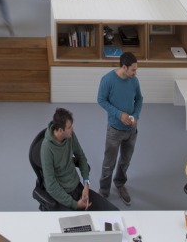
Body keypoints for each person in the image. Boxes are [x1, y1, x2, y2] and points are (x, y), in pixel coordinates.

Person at [41, 107, 119, 212]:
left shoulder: (70, 136)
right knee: (79, 224)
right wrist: (75, 204)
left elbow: (81, 157)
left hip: (76, 186)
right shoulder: (47, 149)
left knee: (112, 211)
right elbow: (51, 185)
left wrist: (86, 184)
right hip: (62, 193)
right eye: (69, 127)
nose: (72, 130)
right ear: (60, 130)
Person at [97, 52, 143, 205]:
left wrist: (135, 115)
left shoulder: (134, 81)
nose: (135, 73)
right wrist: (118, 114)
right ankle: (103, 192)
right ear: (124, 67)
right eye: (133, 70)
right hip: (114, 130)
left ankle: (120, 184)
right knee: (108, 163)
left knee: (125, 161)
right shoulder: (108, 80)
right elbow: (101, 100)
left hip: (131, 130)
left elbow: (139, 99)